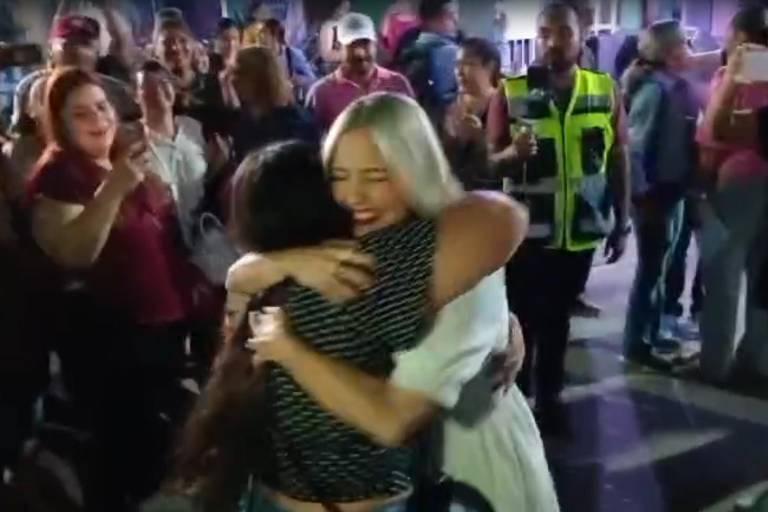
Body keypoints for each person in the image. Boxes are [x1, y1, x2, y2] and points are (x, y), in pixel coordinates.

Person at [219, 93, 557, 511]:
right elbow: (241, 276)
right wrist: (281, 263)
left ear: (416, 168)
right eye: (339, 175)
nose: (353, 195)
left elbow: (392, 418)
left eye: (377, 176)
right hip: (405, 468)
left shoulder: (443, 251)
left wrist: (287, 346)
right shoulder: (371, 247)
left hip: (467, 456)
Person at [27, 68, 201, 511]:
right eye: (81, 113)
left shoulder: (125, 156)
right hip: (115, 347)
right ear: (59, 123)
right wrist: (113, 189)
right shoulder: (59, 175)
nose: (98, 119)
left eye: (102, 107)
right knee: (130, 464)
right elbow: (74, 252)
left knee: (166, 456)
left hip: (163, 334)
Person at [487, 2, 630, 434]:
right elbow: (488, 163)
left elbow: (619, 156)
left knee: (559, 320)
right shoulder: (511, 92)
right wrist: (511, 155)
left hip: (580, 230)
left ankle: (551, 399)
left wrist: (621, 218)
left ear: (581, 34)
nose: (552, 43)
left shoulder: (604, 89)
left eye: (563, 32)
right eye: (544, 33)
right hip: (525, 233)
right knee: (523, 320)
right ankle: (516, 402)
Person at [621, 19, 700, 367]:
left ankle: (651, 334)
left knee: (661, 267)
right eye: (684, 43)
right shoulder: (656, 91)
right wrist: (642, 196)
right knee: (650, 270)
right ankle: (637, 342)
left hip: (670, 191)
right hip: (655, 197)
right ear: (669, 52)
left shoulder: (672, 86)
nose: (690, 50)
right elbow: (636, 148)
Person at [696, 5, 768, 384]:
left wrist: (731, 78)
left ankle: (715, 364)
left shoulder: (736, 76)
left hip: (737, 182)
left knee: (723, 273)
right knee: (762, 275)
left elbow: (716, 129)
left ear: (739, 37)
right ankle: (756, 359)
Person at [12, 14, 140, 134]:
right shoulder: (30, 88)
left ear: (98, 50)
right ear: (51, 49)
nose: (77, 50)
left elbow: (135, 136)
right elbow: (21, 140)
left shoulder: (117, 91)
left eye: (85, 44)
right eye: (67, 44)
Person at [306, 12, 413, 133]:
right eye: (352, 45)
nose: (360, 53)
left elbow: (414, 131)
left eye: (365, 44)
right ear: (339, 46)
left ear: (375, 44)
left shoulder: (397, 84)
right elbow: (310, 139)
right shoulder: (321, 93)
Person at [441, 37, 502, 190]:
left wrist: (480, 139)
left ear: (490, 66)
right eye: (457, 65)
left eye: (468, 64)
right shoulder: (450, 108)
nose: (459, 72)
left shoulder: (503, 104)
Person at [395, 0, 461, 125]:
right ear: (444, 15)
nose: (457, 20)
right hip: (439, 123)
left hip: (406, 120)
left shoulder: (407, 45)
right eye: (453, 14)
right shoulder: (450, 52)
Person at [257, 18, 318, 102]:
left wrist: (296, 79)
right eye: (261, 33)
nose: (261, 38)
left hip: (289, 102)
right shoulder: (259, 56)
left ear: (274, 36)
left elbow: (312, 80)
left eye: (265, 33)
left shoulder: (292, 54)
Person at [317, 0, 351, 75]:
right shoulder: (328, 26)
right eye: (342, 8)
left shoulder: (341, 26)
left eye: (346, 9)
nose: (344, 12)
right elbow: (326, 55)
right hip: (327, 70)